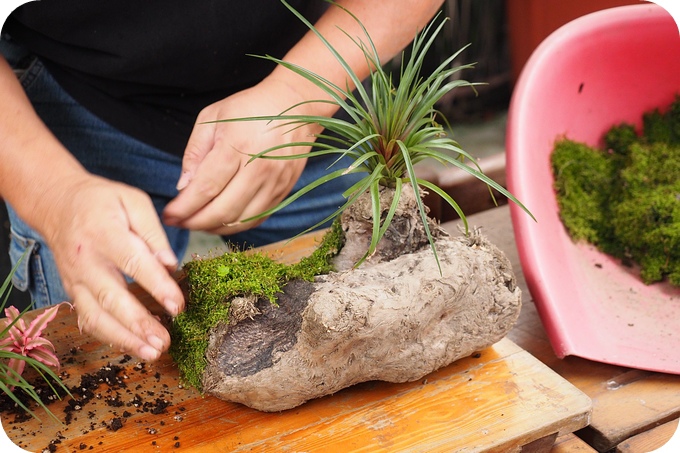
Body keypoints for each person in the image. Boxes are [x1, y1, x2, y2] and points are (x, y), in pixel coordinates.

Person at [0, 0, 445, 361]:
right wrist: (54, 195)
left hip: (313, 76)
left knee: (374, 327)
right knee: (94, 361)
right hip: (73, 105)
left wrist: (300, 95)